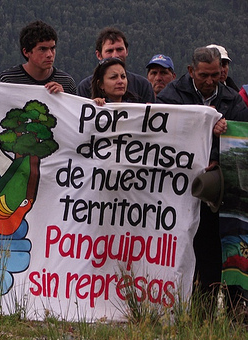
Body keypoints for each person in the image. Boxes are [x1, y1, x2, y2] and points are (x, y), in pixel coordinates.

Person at [157, 47, 248, 316]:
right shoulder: (170, 96)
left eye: (215, 75)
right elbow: (161, 131)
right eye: (204, 75)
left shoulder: (233, 101)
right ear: (190, 71)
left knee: (210, 249)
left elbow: (240, 142)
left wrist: (218, 157)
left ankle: (206, 312)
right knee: (182, 245)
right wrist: (206, 126)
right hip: (177, 188)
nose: (210, 81)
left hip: (215, 191)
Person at [0, 20, 76, 94]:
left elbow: (74, 108)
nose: (50, 55)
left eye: (52, 48)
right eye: (42, 49)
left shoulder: (66, 83)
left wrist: (64, 97)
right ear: (26, 52)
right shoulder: (7, 81)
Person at [77, 27, 154, 103]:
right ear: (99, 55)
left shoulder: (142, 86)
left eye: (119, 50)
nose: (115, 55)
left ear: (126, 51)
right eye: (109, 51)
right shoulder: (85, 87)